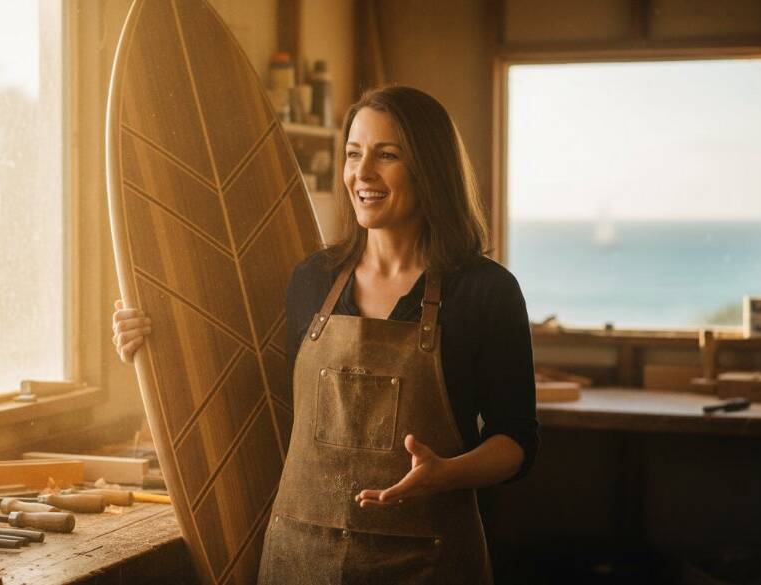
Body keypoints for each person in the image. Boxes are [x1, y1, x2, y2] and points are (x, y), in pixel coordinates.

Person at [113, 86, 537, 584]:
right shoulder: (312, 279)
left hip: (430, 562)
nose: (363, 174)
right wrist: (153, 345)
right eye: (354, 154)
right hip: (300, 559)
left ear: (430, 167)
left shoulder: (486, 291)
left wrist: (447, 472)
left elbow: (517, 441)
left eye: (388, 155)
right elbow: (258, 402)